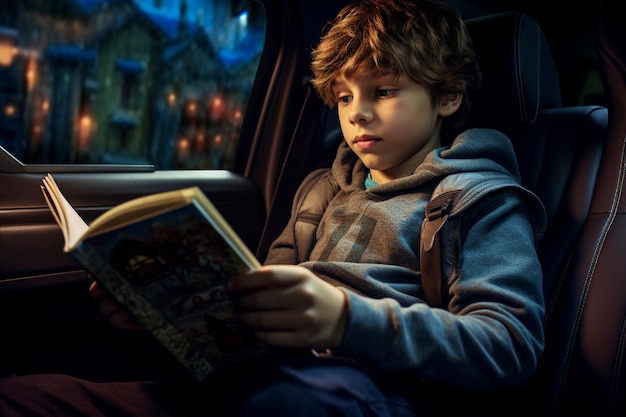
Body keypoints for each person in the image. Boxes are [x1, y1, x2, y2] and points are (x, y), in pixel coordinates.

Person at [0, 0, 546, 416]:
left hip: (374, 385)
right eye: (344, 96)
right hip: (262, 368)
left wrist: (344, 320)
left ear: (447, 97)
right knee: (27, 396)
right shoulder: (319, 190)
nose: (356, 115)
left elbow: (510, 344)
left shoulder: (479, 200)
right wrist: (167, 307)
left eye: (382, 91)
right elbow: (261, 295)